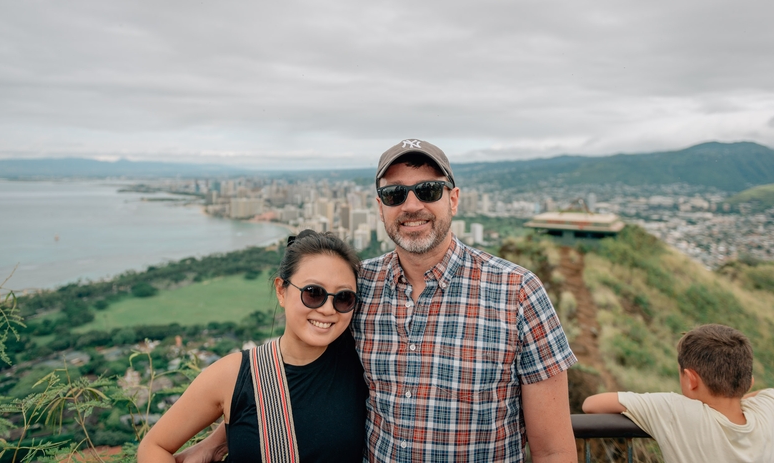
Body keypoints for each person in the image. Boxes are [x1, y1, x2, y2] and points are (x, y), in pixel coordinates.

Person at [177, 138, 578, 462]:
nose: (412, 205)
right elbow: (302, 367)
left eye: (428, 190)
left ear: (453, 199)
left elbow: (554, 450)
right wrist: (226, 435)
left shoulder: (517, 292)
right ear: (380, 208)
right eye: (394, 194)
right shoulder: (357, 288)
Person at [138, 230, 368, 463]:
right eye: (313, 293)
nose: (328, 309)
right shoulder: (234, 374)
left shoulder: (363, 361)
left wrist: (217, 442)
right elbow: (154, 447)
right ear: (281, 290)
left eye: (343, 298)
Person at [582, 323, 774, 462]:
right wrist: (739, 398)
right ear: (749, 383)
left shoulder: (675, 411)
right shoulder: (767, 410)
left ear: (691, 380)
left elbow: (591, 404)